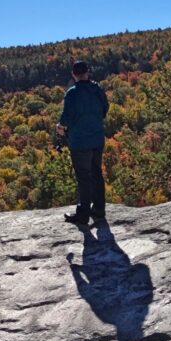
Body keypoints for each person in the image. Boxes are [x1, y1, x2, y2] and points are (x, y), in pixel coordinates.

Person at [56, 61, 110, 225]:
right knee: (96, 174)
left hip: (80, 143)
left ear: (73, 75)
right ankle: (99, 210)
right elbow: (105, 109)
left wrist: (60, 127)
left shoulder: (72, 93)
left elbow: (66, 117)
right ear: (88, 72)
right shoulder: (97, 89)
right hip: (97, 139)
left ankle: (83, 214)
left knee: (83, 178)